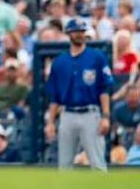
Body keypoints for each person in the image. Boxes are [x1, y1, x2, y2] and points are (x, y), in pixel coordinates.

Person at [45, 19, 113, 171]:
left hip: (91, 112)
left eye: (82, 31)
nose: (79, 34)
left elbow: (104, 89)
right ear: (69, 34)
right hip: (67, 113)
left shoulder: (96, 57)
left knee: (98, 163)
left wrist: (106, 116)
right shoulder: (60, 62)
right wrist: (50, 122)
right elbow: (54, 96)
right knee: (64, 165)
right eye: (76, 31)